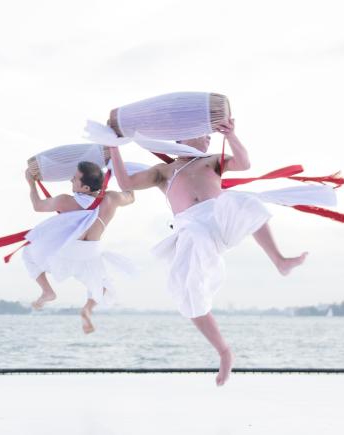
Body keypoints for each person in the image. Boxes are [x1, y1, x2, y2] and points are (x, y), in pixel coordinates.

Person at [108, 118, 306, 385]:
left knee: (246, 201)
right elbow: (126, 182)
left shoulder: (211, 160)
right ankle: (224, 351)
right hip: (192, 228)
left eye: (210, 136)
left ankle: (279, 260)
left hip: (218, 220)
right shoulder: (165, 171)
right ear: (183, 137)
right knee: (188, 292)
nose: (208, 138)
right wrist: (113, 146)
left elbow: (244, 163)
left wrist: (232, 136)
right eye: (203, 134)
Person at [24, 161, 134, 334]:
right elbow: (131, 196)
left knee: (28, 252)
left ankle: (47, 291)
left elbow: (38, 206)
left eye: (75, 179)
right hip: (90, 252)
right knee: (103, 286)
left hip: (66, 250)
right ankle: (88, 310)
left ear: (86, 188)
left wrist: (31, 183)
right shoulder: (112, 199)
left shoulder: (65, 201)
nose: (71, 181)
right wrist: (120, 170)